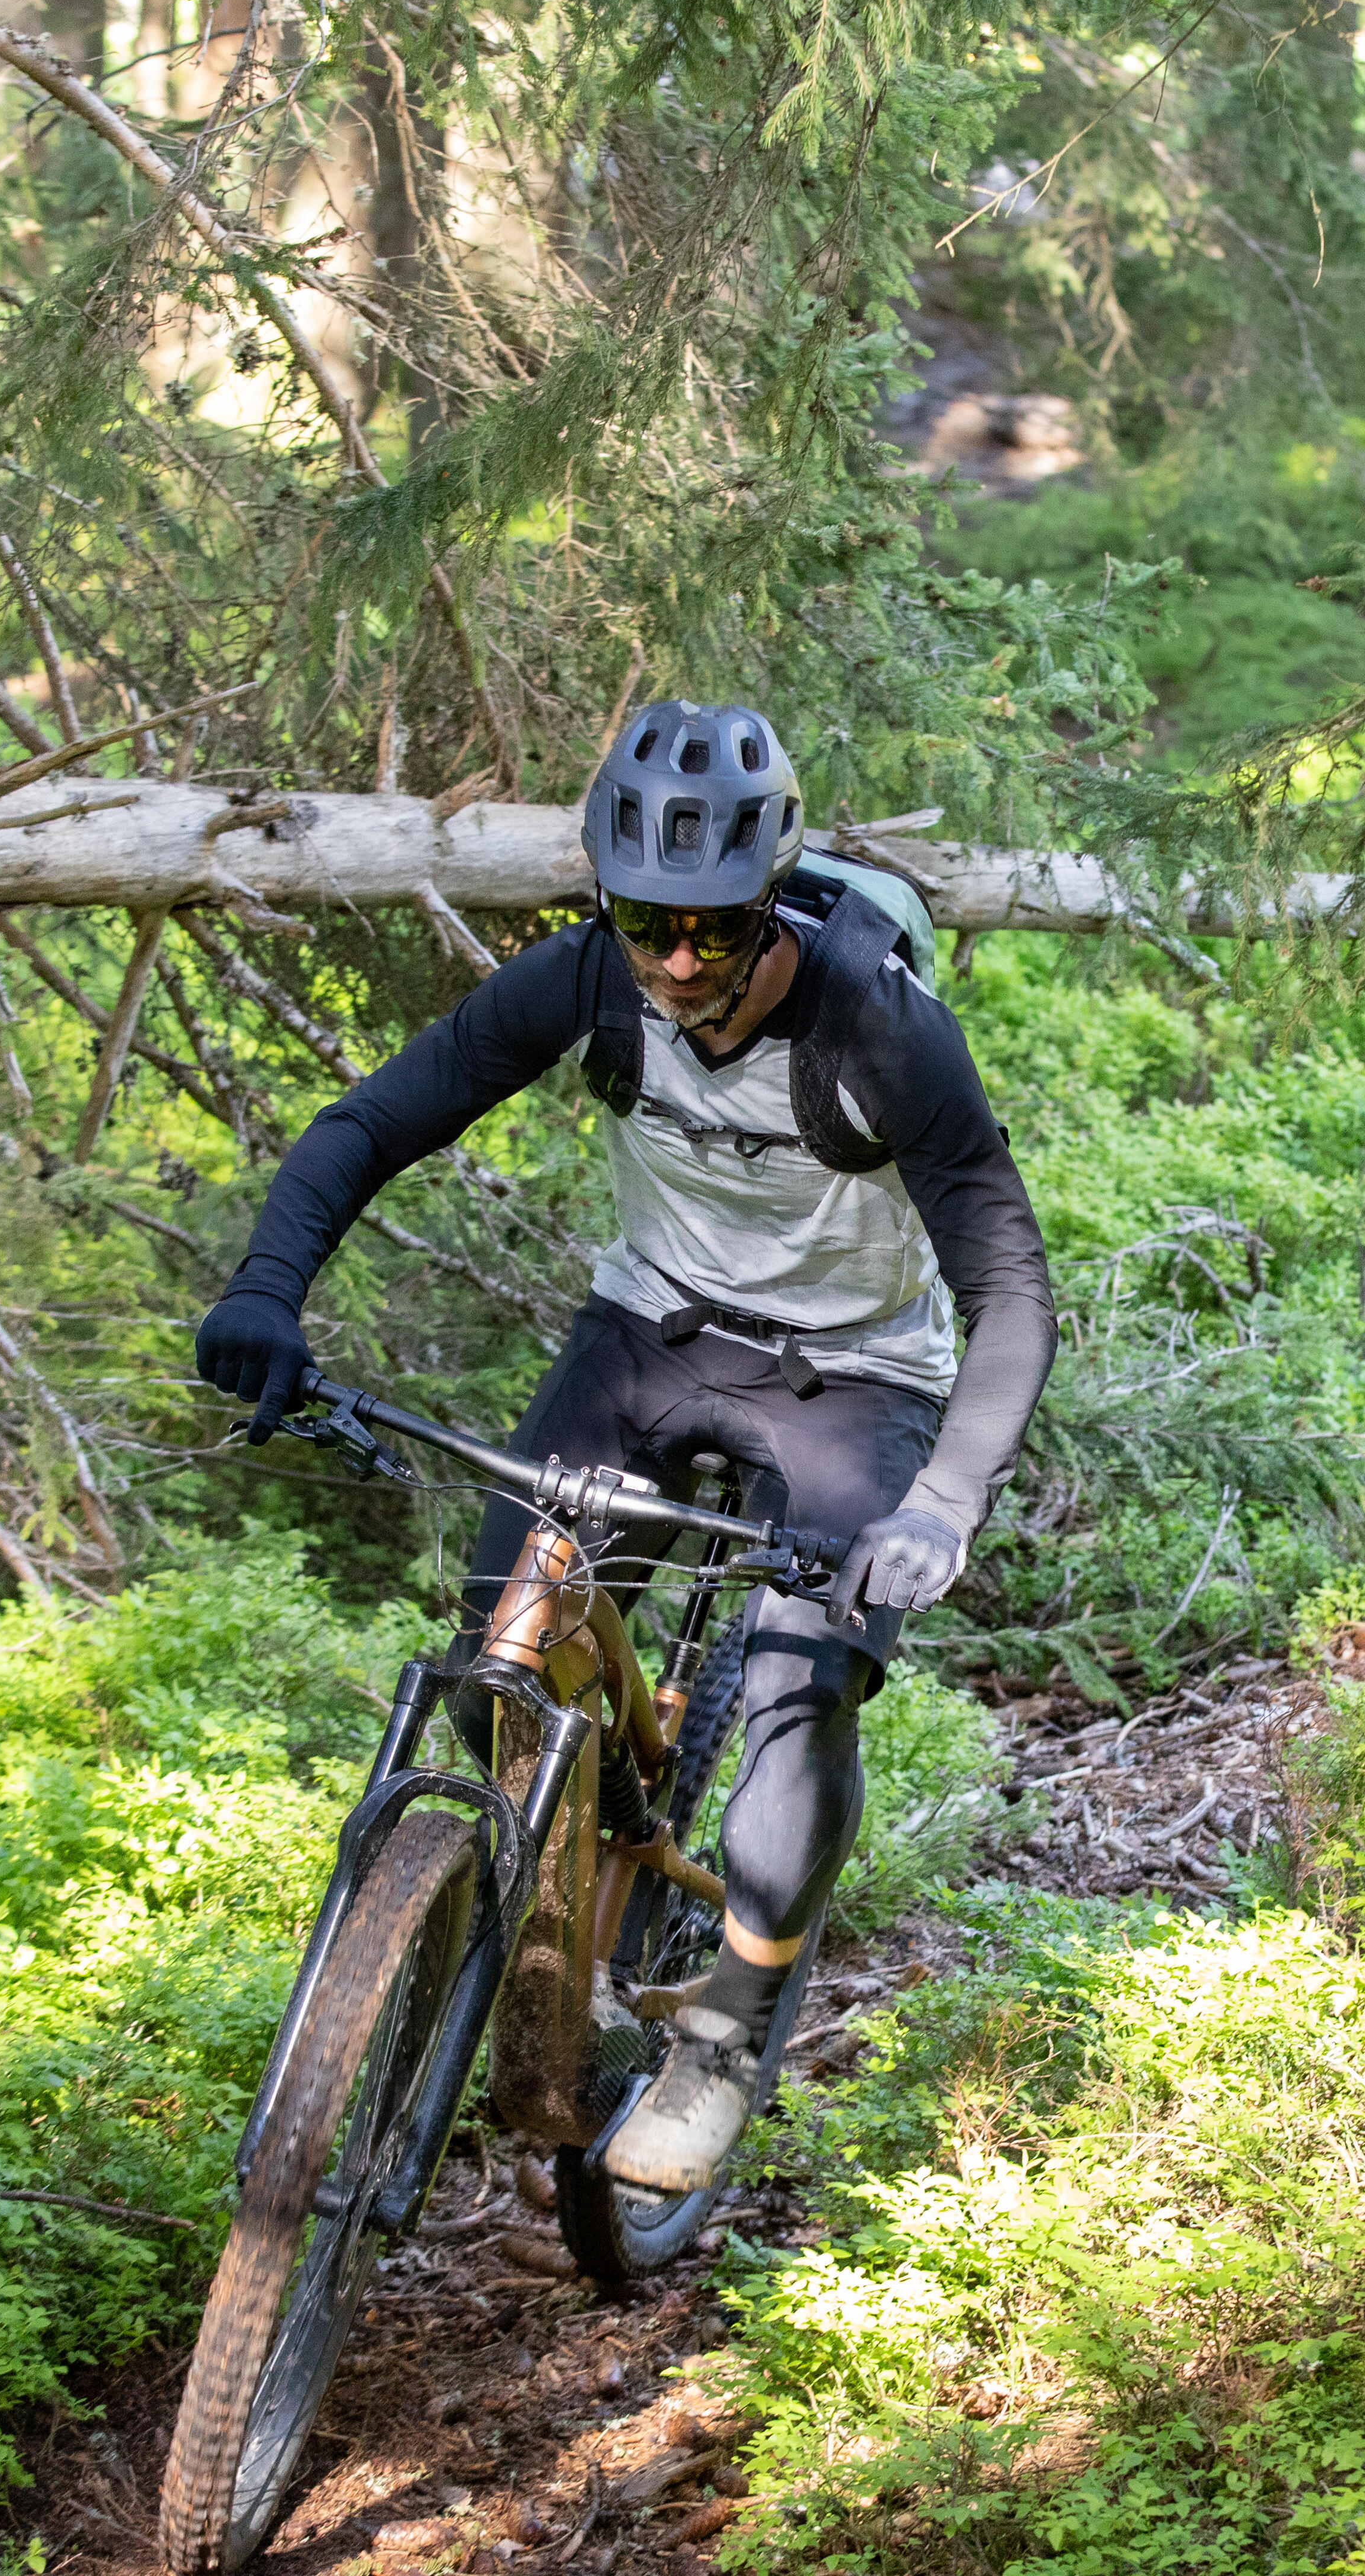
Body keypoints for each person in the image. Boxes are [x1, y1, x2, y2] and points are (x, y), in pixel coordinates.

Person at [191, 700, 1053, 2189]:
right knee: (498, 1649)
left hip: (853, 1377)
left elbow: (1011, 1284)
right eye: (647, 920)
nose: (675, 963)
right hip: (651, 1334)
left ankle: (726, 2030)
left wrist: (945, 1502)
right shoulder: (589, 981)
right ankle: (579, 1894)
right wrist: (268, 1291)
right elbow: (372, 1124)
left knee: (801, 1684)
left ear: (774, 898)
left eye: (715, 933)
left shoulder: (880, 1025)